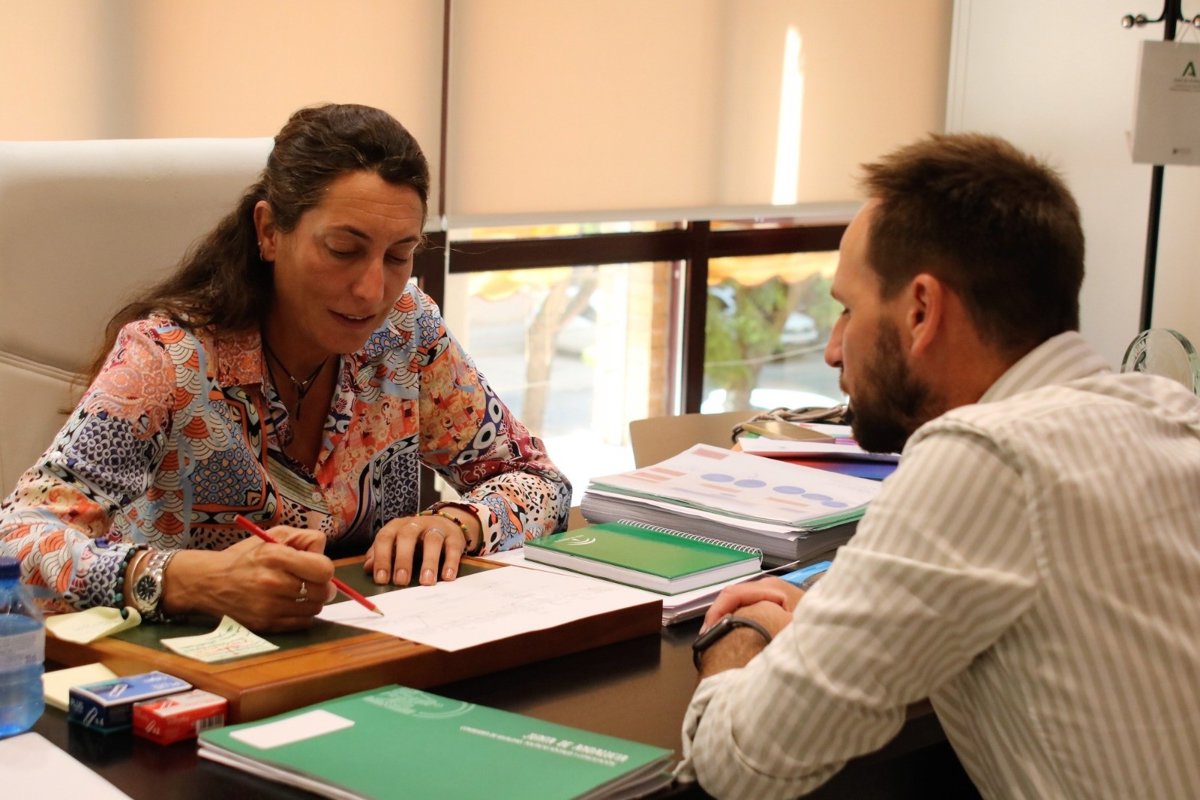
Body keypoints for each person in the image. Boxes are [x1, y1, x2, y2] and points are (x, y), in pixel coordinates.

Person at [678, 133, 1200, 798]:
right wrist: (833, 617)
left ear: (921, 310)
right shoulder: (1168, 411)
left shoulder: (988, 455)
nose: (834, 349)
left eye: (849, 309)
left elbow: (738, 765)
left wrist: (740, 635)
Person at [0, 103, 571, 632]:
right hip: (182, 672)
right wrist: (189, 579)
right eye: (343, 250)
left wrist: (456, 523)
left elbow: (539, 481)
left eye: (399, 255)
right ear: (270, 231)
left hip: (367, 651)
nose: (372, 289)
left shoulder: (406, 330)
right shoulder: (168, 356)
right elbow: (16, 541)